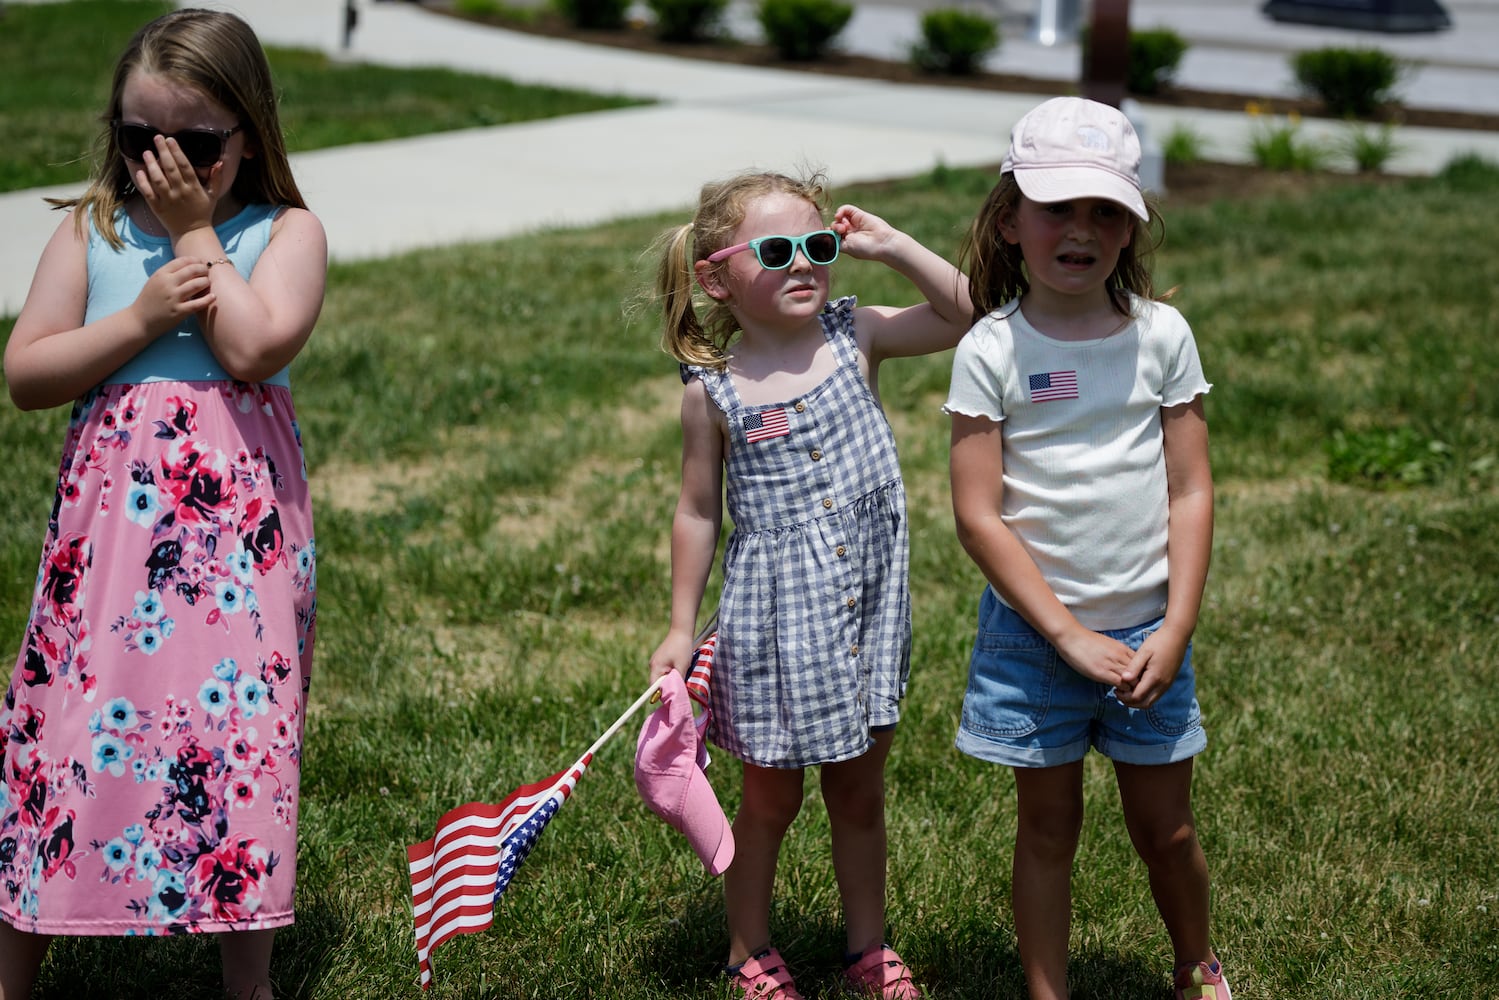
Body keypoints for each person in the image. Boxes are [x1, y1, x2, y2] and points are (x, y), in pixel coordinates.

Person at [0, 9, 326, 999]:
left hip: (232, 543)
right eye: (144, 141)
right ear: (117, 133)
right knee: (65, 725)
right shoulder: (92, 231)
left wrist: (196, 237)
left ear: (249, 134)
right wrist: (139, 315)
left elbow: (256, 346)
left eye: (196, 144)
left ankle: (246, 968)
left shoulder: (283, 232)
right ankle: (24, 950)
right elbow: (27, 371)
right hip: (110, 550)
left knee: (237, 737)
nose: (168, 164)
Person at [647, 169, 970, 1000]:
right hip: (773, 629)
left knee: (859, 793)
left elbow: (969, 316)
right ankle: (746, 948)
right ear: (716, 277)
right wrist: (680, 628)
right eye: (778, 250)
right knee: (770, 801)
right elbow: (694, 513)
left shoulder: (853, 334)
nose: (805, 264)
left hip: (865, 614)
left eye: (818, 245)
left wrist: (891, 246)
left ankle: (867, 947)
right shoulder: (712, 391)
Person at [944, 96, 1230, 1000]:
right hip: (1035, 644)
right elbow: (977, 515)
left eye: (1104, 210)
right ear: (1009, 219)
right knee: (1046, 833)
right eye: (1056, 208)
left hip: (1148, 631)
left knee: (1166, 830)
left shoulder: (1161, 336)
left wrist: (1174, 629)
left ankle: (1197, 967)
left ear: (1130, 224)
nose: (1080, 231)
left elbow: (1190, 488)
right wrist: (1064, 634)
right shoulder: (990, 349)